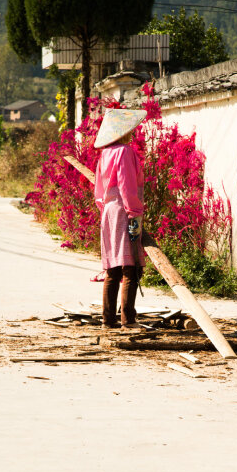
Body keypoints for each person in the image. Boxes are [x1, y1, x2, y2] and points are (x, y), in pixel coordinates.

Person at [94, 108, 147, 330]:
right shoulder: (124, 151)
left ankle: (108, 320)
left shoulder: (105, 154)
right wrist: (134, 212)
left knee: (113, 269)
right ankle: (128, 319)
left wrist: (108, 209)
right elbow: (127, 186)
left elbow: (98, 191)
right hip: (123, 210)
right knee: (129, 266)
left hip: (108, 211)